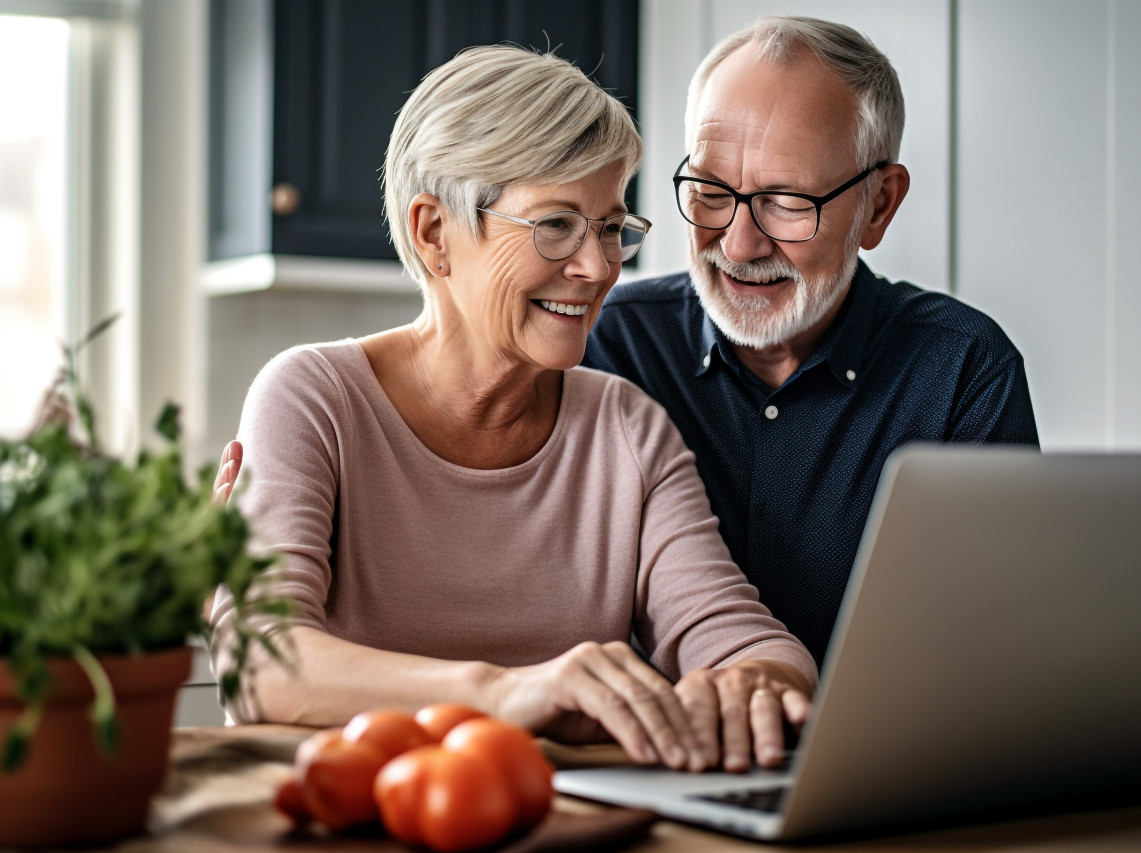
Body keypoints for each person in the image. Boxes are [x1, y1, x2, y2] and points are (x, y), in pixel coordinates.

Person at [209, 44, 817, 775]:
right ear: (435, 232)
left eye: (609, 227)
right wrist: (499, 693)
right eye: (556, 224)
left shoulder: (625, 425)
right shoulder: (313, 399)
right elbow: (259, 663)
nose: (597, 268)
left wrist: (757, 682)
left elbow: (741, 637)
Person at [581, 16, 1039, 662]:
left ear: (879, 205)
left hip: (890, 761)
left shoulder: (965, 371)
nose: (738, 244)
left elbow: (997, 652)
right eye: (711, 192)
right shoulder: (607, 343)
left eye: (787, 202)